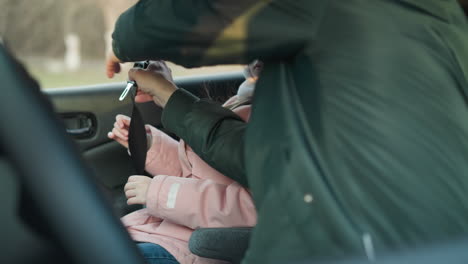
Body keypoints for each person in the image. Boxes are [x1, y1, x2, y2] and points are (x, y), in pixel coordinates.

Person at [107, 0, 468, 263]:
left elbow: (195, 15)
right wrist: (162, 118)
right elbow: (247, 160)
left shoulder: (337, 13)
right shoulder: (443, 27)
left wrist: (123, 41)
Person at [108, 60, 262, 264]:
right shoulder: (244, 101)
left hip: (194, 251)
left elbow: (251, 207)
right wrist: (149, 146)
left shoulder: (280, 119)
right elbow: (200, 173)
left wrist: (161, 193)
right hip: (168, 234)